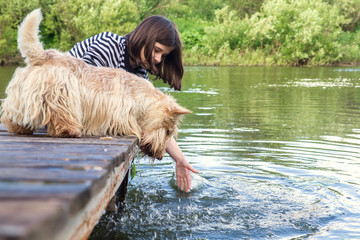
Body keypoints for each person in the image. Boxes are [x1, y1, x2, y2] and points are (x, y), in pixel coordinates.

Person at [68, 15, 198, 192]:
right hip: (64, 114)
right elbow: (80, 90)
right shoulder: (108, 45)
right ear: (145, 37)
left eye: (163, 55)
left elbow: (157, 122)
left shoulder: (139, 75)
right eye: (157, 50)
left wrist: (180, 159)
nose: (158, 59)